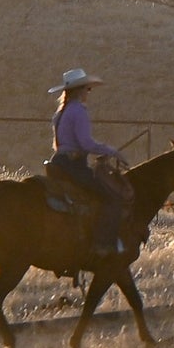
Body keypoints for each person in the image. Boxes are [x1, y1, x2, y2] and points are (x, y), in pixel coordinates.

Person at [44, 70, 126, 257]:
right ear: (79, 90)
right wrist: (113, 152)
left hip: (60, 163)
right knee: (111, 198)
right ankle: (103, 244)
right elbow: (86, 143)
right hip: (73, 166)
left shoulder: (61, 113)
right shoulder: (78, 111)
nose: (88, 92)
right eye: (87, 89)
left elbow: (62, 144)